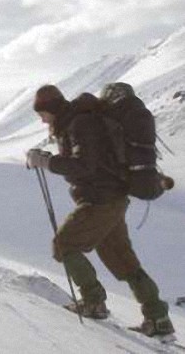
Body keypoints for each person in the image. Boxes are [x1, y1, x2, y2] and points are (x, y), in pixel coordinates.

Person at [26, 84, 175, 337]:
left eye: (41, 114)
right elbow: (89, 160)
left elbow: (85, 166)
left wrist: (47, 162)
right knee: (122, 259)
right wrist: (48, 157)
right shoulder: (76, 122)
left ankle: (93, 302)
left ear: (51, 109)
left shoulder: (79, 124)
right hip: (111, 199)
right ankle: (158, 318)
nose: (41, 120)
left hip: (100, 201)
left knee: (64, 244)